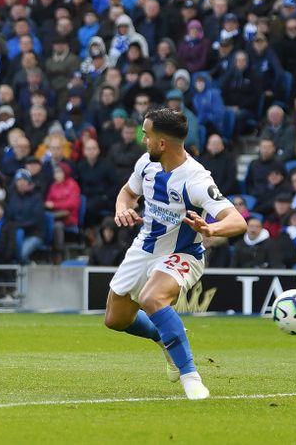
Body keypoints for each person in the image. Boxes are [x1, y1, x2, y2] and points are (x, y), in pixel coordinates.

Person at [104, 108, 247, 400]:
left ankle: (191, 377)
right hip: (144, 247)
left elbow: (238, 221)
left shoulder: (196, 179)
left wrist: (211, 228)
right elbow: (127, 193)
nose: (143, 140)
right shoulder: (146, 163)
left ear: (162, 143)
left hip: (183, 253)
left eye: (147, 135)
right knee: (115, 320)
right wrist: (122, 209)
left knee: (151, 298)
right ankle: (166, 338)